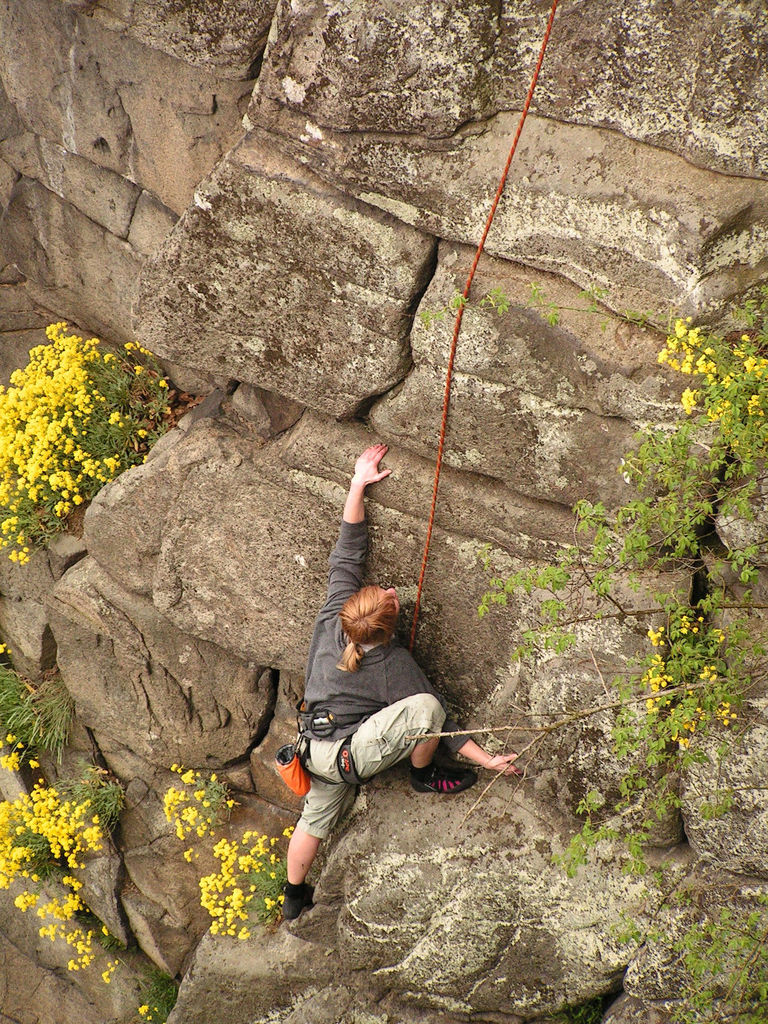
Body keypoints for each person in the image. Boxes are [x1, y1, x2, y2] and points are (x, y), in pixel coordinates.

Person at [283, 444, 519, 921]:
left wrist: (358, 482)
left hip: (315, 748)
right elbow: (441, 720)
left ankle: (292, 898)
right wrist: (488, 759)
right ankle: (422, 773)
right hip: (349, 755)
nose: (391, 590)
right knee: (426, 708)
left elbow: (347, 549)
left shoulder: (335, 615)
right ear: (387, 630)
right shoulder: (393, 664)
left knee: (313, 823)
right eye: (389, 597)